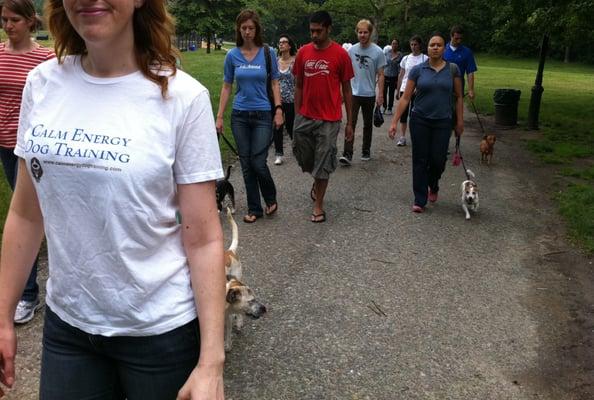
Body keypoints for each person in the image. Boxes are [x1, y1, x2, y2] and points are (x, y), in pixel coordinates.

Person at [0, 0, 226, 399]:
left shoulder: (183, 98)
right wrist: (2, 316)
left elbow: (204, 238)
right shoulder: (42, 84)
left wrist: (211, 363)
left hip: (159, 334)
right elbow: (25, 212)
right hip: (68, 328)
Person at [0, 0, 54, 325]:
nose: (8, 25)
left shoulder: (45, 59)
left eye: (14, 19)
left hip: (27, 149)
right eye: (4, 19)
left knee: (28, 215)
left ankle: (29, 293)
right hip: (1, 144)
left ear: (30, 21)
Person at [216, 9, 283, 224]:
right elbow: (227, 86)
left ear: (257, 29)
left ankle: (270, 197)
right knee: (246, 163)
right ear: (239, 30)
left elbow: (274, 82)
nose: (247, 32)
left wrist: (279, 109)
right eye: (243, 28)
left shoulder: (267, 52)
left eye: (251, 28)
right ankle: (255, 208)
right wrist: (219, 117)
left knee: (258, 162)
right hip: (240, 115)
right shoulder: (232, 55)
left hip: (263, 113)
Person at [388, 32, 463, 213]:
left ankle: (433, 184)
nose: (435, 47)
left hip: (443, 121)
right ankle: (419, 199)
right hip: (420, 119)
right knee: (420, 159)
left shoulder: (453, 70)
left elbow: (459, 97)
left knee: (438, 160)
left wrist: (459, 121)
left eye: (438, 45)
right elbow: (406, 98)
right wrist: (394, 122)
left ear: (444, 48)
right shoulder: (418, 70)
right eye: (432, 45)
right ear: (427, 49)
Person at [293, 10, 354, 222]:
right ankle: (316, 178)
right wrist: (297, 114)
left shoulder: (341, 55)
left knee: (324, 160)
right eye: (312, 31)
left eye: (318, 31)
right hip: (305, 116)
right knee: (304, 157)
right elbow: (299, 84)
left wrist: (350, 124)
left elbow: (347, 89)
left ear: (328, 29)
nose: (314, 35)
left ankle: (318, 205)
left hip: (330, 118)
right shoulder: (303, 53)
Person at [338, 19, 385, 165]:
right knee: (350, 123)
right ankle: (347, 153)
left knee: (367, 124)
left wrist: (381, 94)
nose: (362, 35)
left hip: (369, 93)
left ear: (370, 33)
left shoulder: (378, 51)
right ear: (356, 33)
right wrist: (341, 91)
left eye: (365, 32)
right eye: (360, 32)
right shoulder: (351, 51)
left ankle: (366, 150)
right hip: (353, 92)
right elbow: (344, 73)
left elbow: (381, 74)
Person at [395, 35, 428, 147]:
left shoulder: (425, 59)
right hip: (405, 89)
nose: (413, 47)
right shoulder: (406, 58)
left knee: (415, 115)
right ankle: (402, 137)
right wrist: (398, 89)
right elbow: (401, 75)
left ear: (420, 45)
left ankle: (416, 136)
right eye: (412, 44)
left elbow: (427, 75)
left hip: (418, 91)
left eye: (415, 44)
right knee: (403, 114)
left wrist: (419, 88)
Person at [272, 33, 297, 166]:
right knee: (277, 126)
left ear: (290, 45)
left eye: (284, 42)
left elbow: (299, 82)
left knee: (291, 126)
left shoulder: (295, 61)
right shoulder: (275, 61)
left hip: (292, 99)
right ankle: (278, 153)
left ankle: (296, 148)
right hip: (277, 100)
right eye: (280, 42)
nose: (281, 44)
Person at [444, 25, 477, 100]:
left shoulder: (467, 52)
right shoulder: (443, 50)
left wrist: (470, 89)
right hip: (443, 84)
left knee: (457, 108)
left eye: (460, 38)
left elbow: (470, 72)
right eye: (456, 38)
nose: (459, 41)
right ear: (451, 36)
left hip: (459, 85)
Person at [382, 38, 402, 115]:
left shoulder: (400, 55)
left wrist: (399, 78)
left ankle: (390, 108)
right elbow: (383, 63)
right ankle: (384, 107)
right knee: (384, 92)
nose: (394, 45)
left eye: (396, 43)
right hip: (385, 75)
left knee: (391, 93)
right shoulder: (387, 53)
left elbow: (400, 67)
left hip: (394, 76)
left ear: (398, 45)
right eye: (393, 43)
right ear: (391, 44)